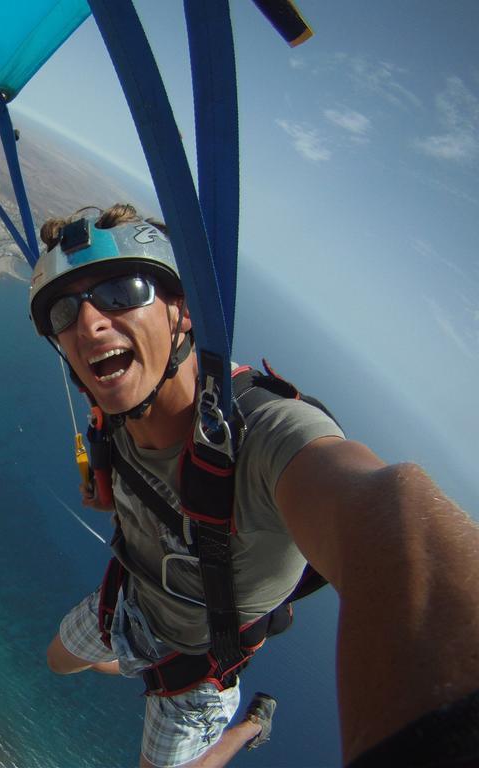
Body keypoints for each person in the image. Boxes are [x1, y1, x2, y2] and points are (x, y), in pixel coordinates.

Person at [30, 204, 479, 768]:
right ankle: (142, 666)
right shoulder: (113, 415)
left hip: (199, 668)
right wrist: (106, 486)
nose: (90, 322)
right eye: (66, 309)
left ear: (183, 309)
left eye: (124, 291)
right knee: (58, 659)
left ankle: (244, 729)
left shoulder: (263, 435)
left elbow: (388, 509)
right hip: (130, 606)